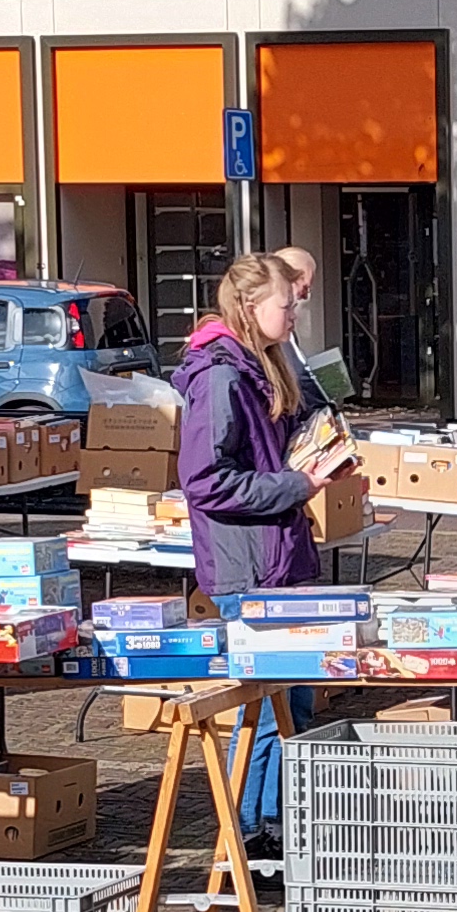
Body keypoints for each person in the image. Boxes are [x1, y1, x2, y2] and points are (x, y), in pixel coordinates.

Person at [179, 251, 354, 852]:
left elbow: (282, 438)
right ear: (252, 307)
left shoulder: (265, 365)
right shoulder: (221, 377)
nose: (297, 311)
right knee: (265, 711)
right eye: (289, 301)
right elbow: (205, 481)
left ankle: (270, 826)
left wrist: (323, 449)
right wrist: (297, 484)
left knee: (291, 706)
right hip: (248, 568)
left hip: (282, 557)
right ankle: (249, 831)